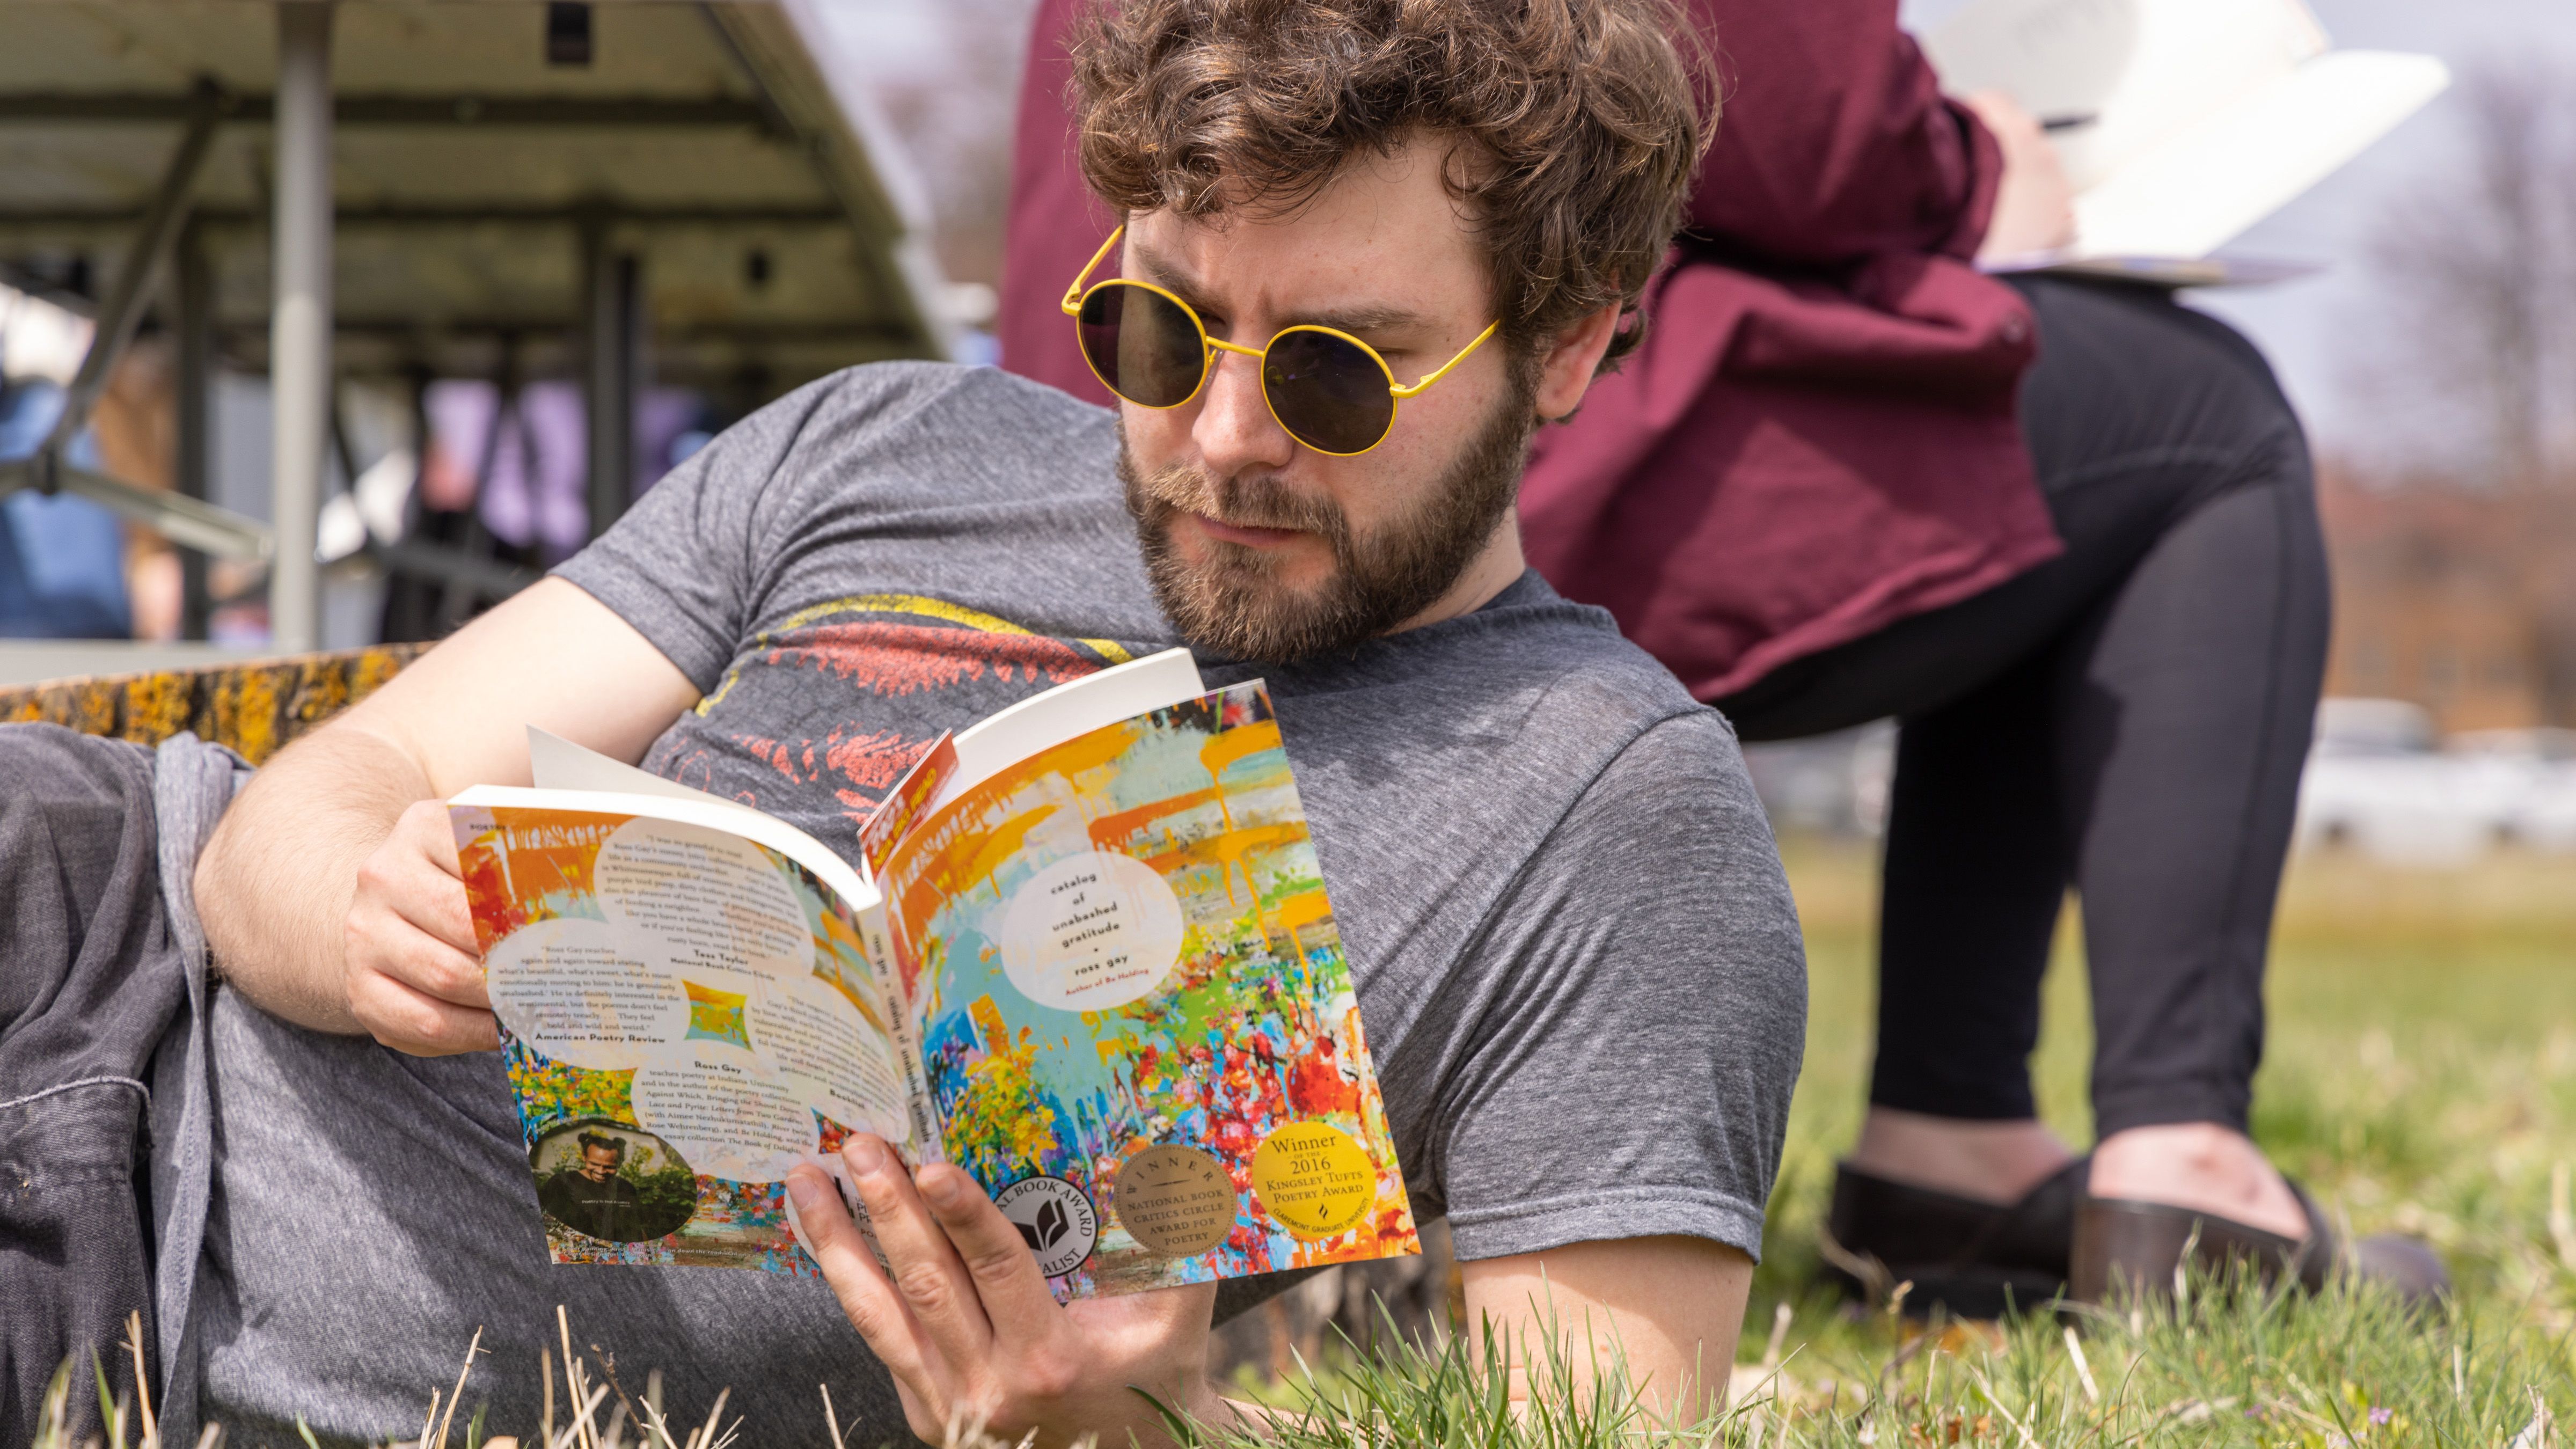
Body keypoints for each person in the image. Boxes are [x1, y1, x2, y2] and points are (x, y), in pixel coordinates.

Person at [187, 1, 1804, 1442]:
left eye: (1336, 374)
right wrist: (352, 913)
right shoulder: (887, 439)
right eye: (1158, 333)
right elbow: (326, 786)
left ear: (1572, 341)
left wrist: (1128, 1434)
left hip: (134, 1256)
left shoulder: (1609, 815)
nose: (1225, 437)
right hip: (106, 949)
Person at [985, 0, 2448, 1314]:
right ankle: (2168, 1155)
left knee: (2019, 425)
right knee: (2194, 424)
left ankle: (1957, 1142)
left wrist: (1163, 337)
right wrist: (1973, 168)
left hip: (1110, 369)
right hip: (1417, 415)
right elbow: (1803, 112)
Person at [535, 1132, 658, 1243]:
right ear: (584, 1157)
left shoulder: (626, 1188)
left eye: (609, 1167)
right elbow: (547, 1224)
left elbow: (637, 1228)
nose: (601, 1171)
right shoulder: (561, 1183)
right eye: (594, 1164)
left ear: (619, 1163)